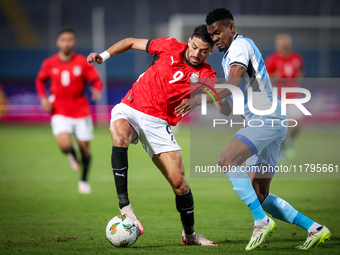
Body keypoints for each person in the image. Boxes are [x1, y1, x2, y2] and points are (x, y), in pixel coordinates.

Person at [188, 8, 330, 250]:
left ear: (231, 28)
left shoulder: (240, 46)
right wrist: (213, 98)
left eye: (219, 32)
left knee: (226, 160)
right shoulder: (228, 57)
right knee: (260, 196)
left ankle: (261, 222)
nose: (215, 38)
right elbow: (228, 105)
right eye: (212, 34)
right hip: (269, 121)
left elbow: (232, 84)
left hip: (265, 119)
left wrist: (199, 93)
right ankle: (315, 228)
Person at [87, 25, 217, 246]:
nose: (196, 53)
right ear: (189, 40)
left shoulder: (206, 74)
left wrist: (196, 100)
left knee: (180, 185)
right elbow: (129, 41)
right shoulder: (169, 46)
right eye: (194, 46)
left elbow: (214, 91)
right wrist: (104, 55)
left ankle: (190, 235)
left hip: (159, 123)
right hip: (131, 107)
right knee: (119, 138)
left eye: (203, 51)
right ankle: (125, 206)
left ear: (211, 51)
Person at [36, 27, 103, 194]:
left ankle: (83, 180)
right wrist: (43, 98)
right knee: (64, 145)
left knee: (85, 149)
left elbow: (97, 81)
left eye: (70, 40)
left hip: (81, 111)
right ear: (58, 42)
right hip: (59, 111)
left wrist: (97, 89)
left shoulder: (82, 62)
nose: (66, 43)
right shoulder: (49, 63)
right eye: (63, 40)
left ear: (74, 42)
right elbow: (39, 81)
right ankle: (70, 152)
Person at [265, 34, 304, 162]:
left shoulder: (296, 58)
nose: (284, 45)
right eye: (282, 43)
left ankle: (289, 140)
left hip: (293, 95)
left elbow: (300, 74)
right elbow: (266, 78)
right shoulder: (272, 59)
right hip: (279, 96)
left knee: (297, 123)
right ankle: (280, 148)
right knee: (280, 125)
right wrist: (276, 77)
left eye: (286, 43)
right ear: (278, 45)